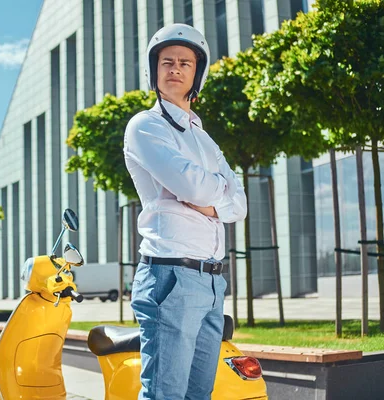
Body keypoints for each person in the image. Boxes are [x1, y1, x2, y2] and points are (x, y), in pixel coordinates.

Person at [124, 23, 247, 399]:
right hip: (171, 275)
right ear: (153, 70)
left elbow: (238, 205)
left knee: (199, 396)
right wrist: (213, 192)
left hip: (211, 281)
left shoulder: (204, 139)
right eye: (166, 62)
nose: (175, 69)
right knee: (166, 394)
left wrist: (207, 197)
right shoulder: (146, 126)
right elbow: (195, 186)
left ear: (198, 73)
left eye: (185, 63)